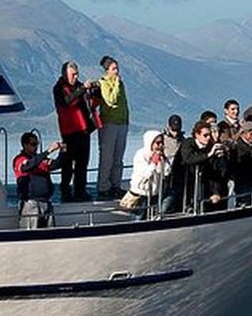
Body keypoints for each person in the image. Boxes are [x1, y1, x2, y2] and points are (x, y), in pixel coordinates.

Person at [52, 60, 100, 201]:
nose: (76, 77)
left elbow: (90, 104)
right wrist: (82, 89)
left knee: (82, 163)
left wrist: (94, 92)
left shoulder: (80, 86)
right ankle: (65, 191)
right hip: (69, 132)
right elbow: (66, 101)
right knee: (67, 164)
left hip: (83, 130)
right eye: (73, 74)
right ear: (65, 74)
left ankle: (80, 190)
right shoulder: (58, 88)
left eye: (77, 74)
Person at [169, 120, 227, 212]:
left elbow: (215, 171)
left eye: (209, 135)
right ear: (197, 135)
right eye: (205, 135)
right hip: (181, 184)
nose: (208, 138)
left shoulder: (210, 147)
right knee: (171, 206)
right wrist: (208, 155)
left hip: (201, 186)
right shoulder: (188, 143)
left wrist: (216, 192)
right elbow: (189, 159)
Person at [12, 132, 64, 229]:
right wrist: (48, 151)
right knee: (31, 233)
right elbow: (27, 166)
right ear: (25, 145)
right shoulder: (20, 159)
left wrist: (62, 151)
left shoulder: (41, 160)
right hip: (30, 203)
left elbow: (56, 164)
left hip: (46, 202)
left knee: (50, 232)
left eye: (37, 144)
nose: (36, 147)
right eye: (33, 144)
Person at [96, 55, 129, 198]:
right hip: (109, 123)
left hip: (122, 122)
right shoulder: (103, 83)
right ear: (107, 70)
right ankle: (103, 186)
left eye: (117, 68)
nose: (117, 71)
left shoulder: (121, 83)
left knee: (118, 157)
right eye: (113, 69)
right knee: (107, 157)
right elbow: (111, 100)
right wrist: (115, 83)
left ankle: (116, 184)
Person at [124, 129, 172, 215]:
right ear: (150, 143)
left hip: (154, 193)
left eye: (162, 143)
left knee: (152, 216)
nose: (161, 145)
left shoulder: (160, 155)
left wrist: (163, 160)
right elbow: (145, 174)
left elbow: (166, 172)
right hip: (140, 194)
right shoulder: (141, 155)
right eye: (158, 143)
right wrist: (153, 163)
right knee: (139, 218)